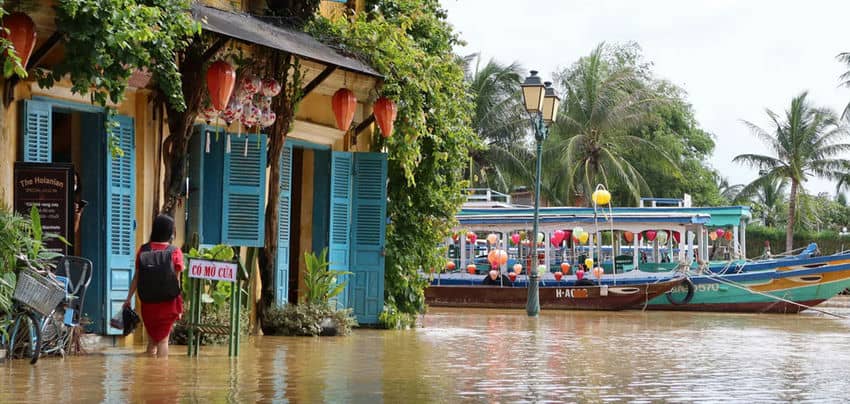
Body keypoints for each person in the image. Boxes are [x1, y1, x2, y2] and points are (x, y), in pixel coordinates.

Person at [124, 214, 184, 358]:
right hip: (168, 303)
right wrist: (179, 305)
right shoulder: (175, 252)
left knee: (152, 341)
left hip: (148, 303)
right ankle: (160, 377)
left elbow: (137, 277)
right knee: (163, 341)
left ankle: (149, 375)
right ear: (170, 232)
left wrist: (128, 298)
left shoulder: (143, 250)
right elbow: (176, 281)